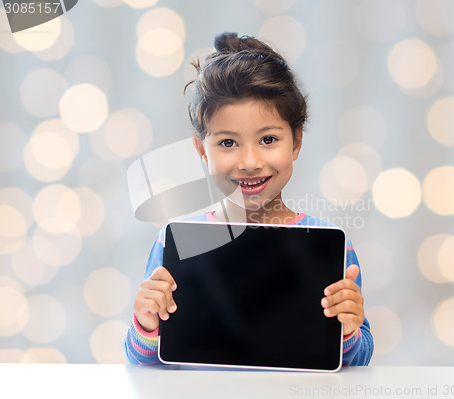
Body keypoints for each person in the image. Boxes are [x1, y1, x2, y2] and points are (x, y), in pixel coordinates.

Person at [125, 32, 374, 367]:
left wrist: (347, 331)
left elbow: (360, 357)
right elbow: (142, 360)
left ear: (296, 142)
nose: (250, 161)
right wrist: (146, 325)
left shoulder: (330, 246)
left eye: (268, 139)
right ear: (202, 150)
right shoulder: (177, 242)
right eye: (228, 143)